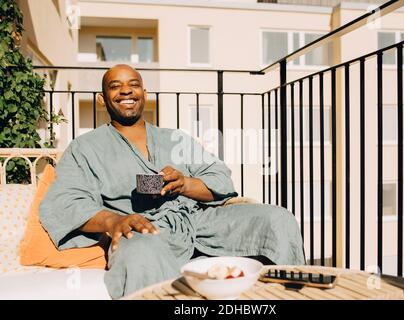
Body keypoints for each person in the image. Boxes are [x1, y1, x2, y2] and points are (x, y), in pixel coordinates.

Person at [40, 64, 305, 299]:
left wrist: (185, 184)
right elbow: (67, 201)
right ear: (101, 99)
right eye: (115, 86)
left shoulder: (175, 138)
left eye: (134, 85)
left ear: (145, 94)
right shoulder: (85, 148)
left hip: (199, 221)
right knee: (140, 250)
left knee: (276, 218)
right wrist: (114, 221)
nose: (126, 91)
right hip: (144, 229)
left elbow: (220, 177)